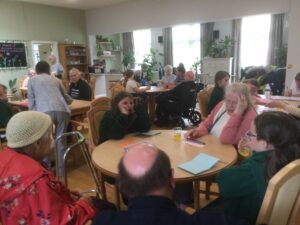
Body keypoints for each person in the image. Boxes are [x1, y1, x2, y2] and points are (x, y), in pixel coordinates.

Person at [0, 111, 115, 225]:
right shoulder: (37, 180)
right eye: (50, 136)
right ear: (37, 143)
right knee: (108, 209)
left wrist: (61, 192)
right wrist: (87, 202)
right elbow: (62, 221)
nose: (52, 140)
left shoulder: (5, 157)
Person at [92, 142, 242, 225]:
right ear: (171, 178)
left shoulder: (103, 220)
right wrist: (191, 212)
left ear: (122, 187)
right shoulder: (214, 221)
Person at [217, 111, 300, 224]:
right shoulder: (290, 154)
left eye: (251, 134)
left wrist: (247, 160)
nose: (247, 136)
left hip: (243, 219)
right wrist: (253, 154)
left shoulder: (251, 170)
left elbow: (223, 182)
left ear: (264, 143)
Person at [28, 60, 73, 176]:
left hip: (44, 112)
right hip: (62, 111)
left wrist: (33, 115)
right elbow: (67, 98)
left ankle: (46, 169)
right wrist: (70, 101)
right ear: (49, 70)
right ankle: (61, 171)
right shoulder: (56, 80)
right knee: (60, 140)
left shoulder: (32, 80)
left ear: (37, 71)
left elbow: (31, 101)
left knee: (45, 141)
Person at [185, 82, 256, 146]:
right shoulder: (222, 104)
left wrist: (237, 113)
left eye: (235, 103)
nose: (229, 105)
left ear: (244, 102)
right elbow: (207, 124)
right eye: (228, 100)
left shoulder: (249, 116)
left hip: (229, 154)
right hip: (210, 145)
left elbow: (227, 140)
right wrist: (197, 131)